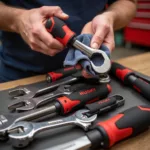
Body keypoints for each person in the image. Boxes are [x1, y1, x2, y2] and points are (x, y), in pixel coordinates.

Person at [0, 0, 137, 83]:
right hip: (17, 77)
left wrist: (111, 16)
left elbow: (129, 2)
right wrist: (18, 20)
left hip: (89, 81)